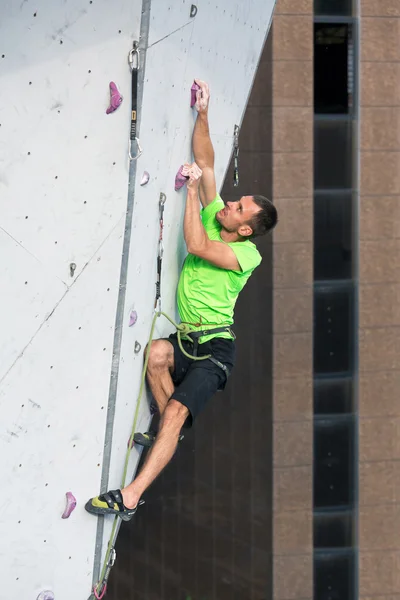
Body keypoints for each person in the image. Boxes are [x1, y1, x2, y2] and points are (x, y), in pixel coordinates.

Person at [85, 80, 278, 521]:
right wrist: (204, 113)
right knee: (156, 356)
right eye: (237, 200)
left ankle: (130, 497)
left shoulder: (245, 255)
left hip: (215, 352)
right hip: (188, 339)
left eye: (239, 208)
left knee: (174, 411)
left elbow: (195, 245)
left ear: (244, 228)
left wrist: (190, 193)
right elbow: (208, 162)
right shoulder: (217, 215)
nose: (230, 203)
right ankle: (166, 435)